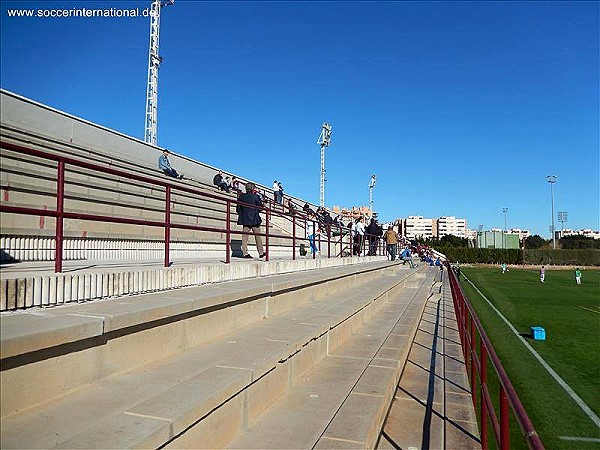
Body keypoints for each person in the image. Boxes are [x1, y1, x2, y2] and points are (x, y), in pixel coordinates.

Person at [236, 182, 266, 259]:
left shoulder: (241, 197)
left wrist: (243, 214)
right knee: (258, 236)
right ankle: (261, 252)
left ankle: (245, 253)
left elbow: (238, 209)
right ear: (253, 189)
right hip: (254, 219)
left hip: (245, 219)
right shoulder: (255, 197)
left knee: (245, 236)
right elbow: (260, 208)